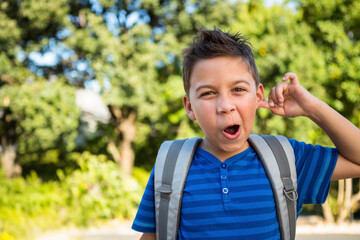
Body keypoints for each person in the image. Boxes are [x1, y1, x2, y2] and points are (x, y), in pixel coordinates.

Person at [131, 27, 360, 239]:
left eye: (238, 89)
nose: (225, 105)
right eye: (208, 93)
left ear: (258, 96)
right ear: (189, 106)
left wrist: (312, 108)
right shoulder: (171, 165)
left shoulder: (287, 158)